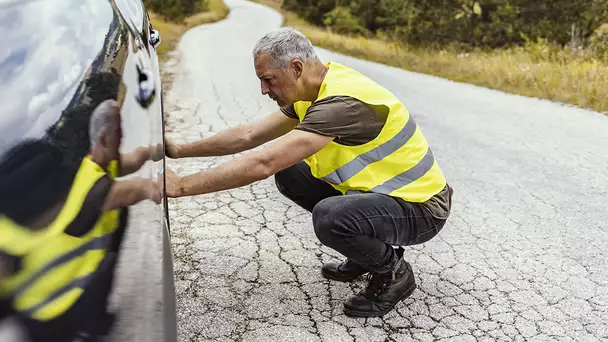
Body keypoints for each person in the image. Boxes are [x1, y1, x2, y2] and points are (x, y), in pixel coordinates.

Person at [163, 27, 453, 317]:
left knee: (330, 217)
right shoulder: (312, 88)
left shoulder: (341, 103)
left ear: (296, 67)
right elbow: (249, 135)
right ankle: (365, 254)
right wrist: (180, 150)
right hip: (386, 198)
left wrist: (181, 187)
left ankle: (394, 273)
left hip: (422, 208)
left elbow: (262, 163)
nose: (264, 90)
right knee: (292, 174)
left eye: (268, 80)